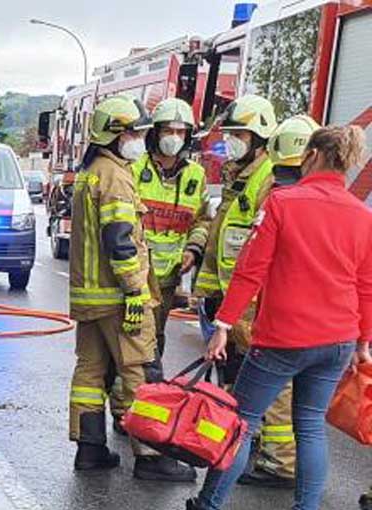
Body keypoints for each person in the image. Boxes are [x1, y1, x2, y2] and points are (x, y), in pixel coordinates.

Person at [147, 125, 372, 510]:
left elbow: (251, 270)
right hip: (338, 340)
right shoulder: (361, 215)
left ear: (312, 157)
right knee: (309, 428)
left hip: (284, 336)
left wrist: (224, 325)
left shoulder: (283, 203)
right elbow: (366, 284)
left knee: (240, 424)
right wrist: (363, 340)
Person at [67, 96, 195, 482]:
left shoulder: (91, 172)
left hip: (89, 297)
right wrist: (136, 291)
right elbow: (120, 242)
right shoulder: (116, 177)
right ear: (116, 134)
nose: (140, 139)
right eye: (135, 132)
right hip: (119, 297)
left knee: (90, 370)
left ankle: (89, 449)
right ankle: (152, 456)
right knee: (139, 370)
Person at [190, 96, 295, 489]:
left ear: (259, 137)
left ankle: (279, 462)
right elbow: (222, 239)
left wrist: (241, 306)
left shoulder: (267, 178)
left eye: (238, 134)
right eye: (230, 134)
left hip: (252, 302)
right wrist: (205, 293)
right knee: (237, 378)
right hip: (231, 298)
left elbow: (260, 249)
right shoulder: (239, 175)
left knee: (267, 382)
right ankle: (247, 449)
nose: (230, 141)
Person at [131, 98, 209, 361]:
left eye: (180, 132)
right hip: (134, 274)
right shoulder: (134, 168)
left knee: (155, 339)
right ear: (155, 133)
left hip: (167, 278)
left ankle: (145, 393)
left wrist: (193, 249)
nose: (174, 138)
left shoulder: (196, 176)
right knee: (133, 339)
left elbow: (202, 220)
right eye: (168, 131)